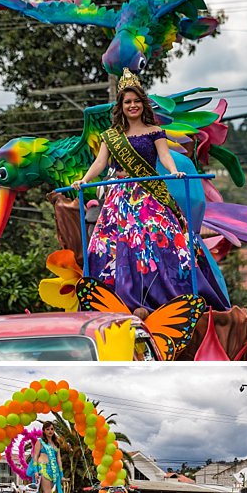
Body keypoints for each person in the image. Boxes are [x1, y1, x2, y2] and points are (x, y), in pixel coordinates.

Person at [70, 71, 229, 312]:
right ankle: (113, 299)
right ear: (121, 107)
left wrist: (175, 171)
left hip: (149, 196)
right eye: (127, 102)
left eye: (136, 101)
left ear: (142, 104)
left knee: (162, 237)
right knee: (108, 244)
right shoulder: (111, 137)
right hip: (119, 200)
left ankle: (165, 296)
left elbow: (164, 156)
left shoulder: (154, 131)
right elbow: (100, 164)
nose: (132, 106)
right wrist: (83, 180)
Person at [31, 422, 66, 493]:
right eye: (48, 429)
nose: (50, 431)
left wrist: (61, 474)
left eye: (52, 429)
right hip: (43, 468)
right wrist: (36, 471)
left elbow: (59, 459)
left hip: (54, 470)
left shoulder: (56, 444)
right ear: (44, 431)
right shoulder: (40, 441)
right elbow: (35, 456)